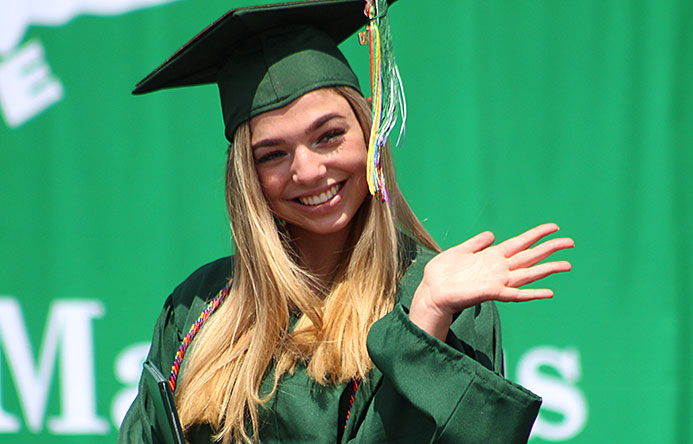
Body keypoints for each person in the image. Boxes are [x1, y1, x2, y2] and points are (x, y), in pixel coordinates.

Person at [118, 1, 574, 443]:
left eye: (329, 136)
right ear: (247, 176)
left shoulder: (446, 300)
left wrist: (425, 323)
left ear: (369, 132)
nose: (309, 171)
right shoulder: (198, 309)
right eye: (273, 154)